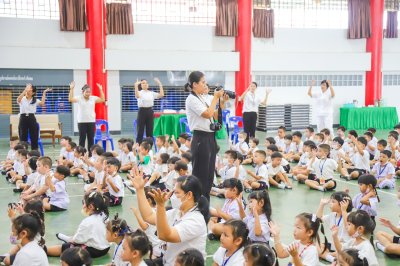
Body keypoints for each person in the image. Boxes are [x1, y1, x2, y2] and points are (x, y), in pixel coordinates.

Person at [131, 171, 209, 266]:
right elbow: (149, 217)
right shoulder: (177, 212)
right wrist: (140, 190)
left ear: (189, 195)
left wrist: (160, 205)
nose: (172, 196)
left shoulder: (195, 220)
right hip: (168, 261)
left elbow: (165, 235)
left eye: (176, 192)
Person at [184, 71, 225, 200]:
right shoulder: (191, 99)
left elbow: (215, 115)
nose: (205, 84)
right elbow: (207, 114)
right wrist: (215, 98)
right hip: (200, 138)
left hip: (210, 137)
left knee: (209, 175)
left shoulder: (203, 97)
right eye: (203, 82)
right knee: (200, 174)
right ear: (195, 84)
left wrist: (221, 101)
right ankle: (197, 202)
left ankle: (205, 202)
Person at [68, 81, 105, 152]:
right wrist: (71, 89)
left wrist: (100, 89)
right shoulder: (79, 98)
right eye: (86, 92)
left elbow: (102, 99)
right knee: (82, 139)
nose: (88, 93)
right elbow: (70, 99)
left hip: (91, 121)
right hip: (81, 121)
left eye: (89, 92)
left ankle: (91, 154)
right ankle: (81, 153)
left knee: (91, 139)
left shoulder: (93, 98)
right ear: (83, 92)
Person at [17, 84, 51, 151]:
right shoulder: (22, 98)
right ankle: (23, 151)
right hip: (23, 117)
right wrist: (25, 90)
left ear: (33, 93)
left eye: (30, 90)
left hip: (32, 117)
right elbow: (18, 99)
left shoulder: (35, 100)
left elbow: (42, 103)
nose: (28, 91)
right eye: (27, 89)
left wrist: (44, 93)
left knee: (34, 135)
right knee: (22, 135)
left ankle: (34, 152)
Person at [134, 78, 164, 144]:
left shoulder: (151, 93)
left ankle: (149, 146)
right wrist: (136, 86)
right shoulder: (139, 92)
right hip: (142, 111)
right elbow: (137, 95)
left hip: (150, 111)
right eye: (143, 83)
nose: (145, 84)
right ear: (140, 85)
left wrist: (160, 84)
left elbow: (161, 95)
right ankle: (138, 146)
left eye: (146, 83)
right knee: (140, 130)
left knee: (150, 130)